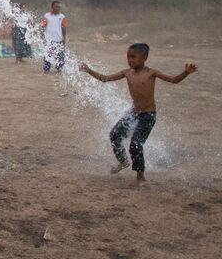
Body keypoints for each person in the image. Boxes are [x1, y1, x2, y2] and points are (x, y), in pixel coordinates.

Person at [79, 43, 198, 186]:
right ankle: (123, 161)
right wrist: (88, 70)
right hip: (134, 113)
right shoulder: (127, 73)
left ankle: (140, 177)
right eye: (128, 57)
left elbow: (173, 80)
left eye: (133, 57)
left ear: (144, 58)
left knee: (135, 144)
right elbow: (105, 79)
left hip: (148, 115)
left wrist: (186, 72)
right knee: (115, 135)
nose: (130, 60)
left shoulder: (151, 73)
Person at [41, 0, 66, 73]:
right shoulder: (47, 16)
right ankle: (46, 70)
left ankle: (59, 70)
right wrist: (42, 37)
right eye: (56, 7)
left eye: (59, 7)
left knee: (60, 57)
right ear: (52, 7)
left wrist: (64, 39)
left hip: (59, 40)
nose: (58, 8)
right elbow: (42, 26)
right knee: (48, 56)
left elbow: (64, 28)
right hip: (49, 40)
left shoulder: (62, 17)